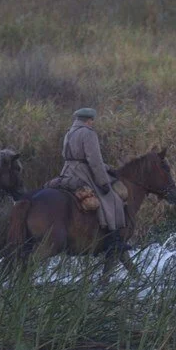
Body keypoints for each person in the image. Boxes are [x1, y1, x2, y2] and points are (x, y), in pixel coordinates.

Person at [57, 108, 130, 254]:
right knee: (110, 198)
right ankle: (113, 239)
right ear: (88, 120)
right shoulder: (88, 133)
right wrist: (103, 182)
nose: (93, 123)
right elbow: (94, 160)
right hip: (83, 173)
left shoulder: (69, 133)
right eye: (92, 120)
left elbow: (69, 155)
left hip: (67, 171)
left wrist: (108, 167)